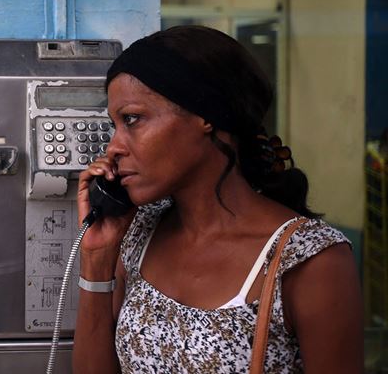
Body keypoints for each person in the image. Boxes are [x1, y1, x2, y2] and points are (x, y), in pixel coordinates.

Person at [72, 26, 363, 373]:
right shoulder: (139, 234)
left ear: (205, 115)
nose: (114, 147)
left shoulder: (309, 259)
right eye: (115, 125)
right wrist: (97, 260)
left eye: (133, 119)